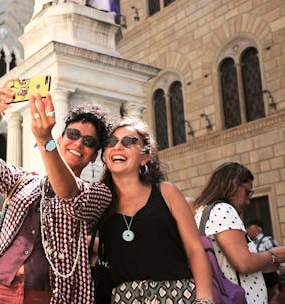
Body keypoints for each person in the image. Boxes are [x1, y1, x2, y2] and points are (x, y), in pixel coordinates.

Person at [0, 80, 113, 303]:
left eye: (89, 142)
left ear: (95, 155)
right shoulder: (25, 180)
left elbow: (68, 193)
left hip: (45, 295)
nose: (78, 144)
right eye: (73, 135)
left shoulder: (97, 193)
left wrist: (45, 141)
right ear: (61, 138)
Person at [97, 117, 214, 303]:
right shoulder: (100, 201)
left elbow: (195, 249)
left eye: (129, 141)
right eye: (111, 142)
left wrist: (205, 299)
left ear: (145, 157)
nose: (118, 146)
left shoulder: (167, 192)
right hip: (125, 299)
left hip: (178, 295)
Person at [193, 162, 285, 303]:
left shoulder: (202, 211)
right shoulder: (223, 209)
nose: (248, 201)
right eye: (248, 192)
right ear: (233, 185)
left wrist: (264, 263)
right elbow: (244, 263)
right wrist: (274, 255)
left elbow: (228, 265)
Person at [246, 218, 280, 299]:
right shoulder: (252, 243)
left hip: (270, 279)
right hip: (259, 279)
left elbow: (278, 259)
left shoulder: (267, 240)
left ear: (255, 228)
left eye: (248, 227)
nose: (246, 230)